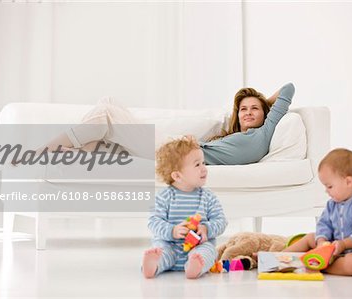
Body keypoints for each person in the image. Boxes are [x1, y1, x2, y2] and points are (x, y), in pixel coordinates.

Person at [40, 82, 295, 165]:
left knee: (106, 112)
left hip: (173, 155)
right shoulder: (231, 136)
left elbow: (288, 88)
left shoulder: (263, 136)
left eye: (255, 109)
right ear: (237, 115)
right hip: (175, 148)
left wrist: (264, 100)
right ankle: (74, 151)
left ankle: (47, 148)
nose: (248, 113)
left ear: (266, 113)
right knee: (108, 104)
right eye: (243, 109)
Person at [283, 148, 352, 276]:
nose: (326, 191)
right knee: (310, 237)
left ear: (348, 182)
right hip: (332, 249)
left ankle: (314, 265)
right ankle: (280, 256)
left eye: (329, 186)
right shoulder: (332, 203)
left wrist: (344, 244)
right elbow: (324, 224)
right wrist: (322, 240)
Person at [142, 136, 227, 279]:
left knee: (208, 252)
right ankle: (154, 265)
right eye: (197, 165)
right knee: (162, 251)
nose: (204, 168)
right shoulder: (164, 197)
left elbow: (221, 221)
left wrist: (206, 228)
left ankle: (194, 266)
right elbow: (153, 222)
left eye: (203, 163)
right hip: (170, 245)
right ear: (177, 175)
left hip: (199, 246)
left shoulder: (208, 197)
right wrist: (172, 230)